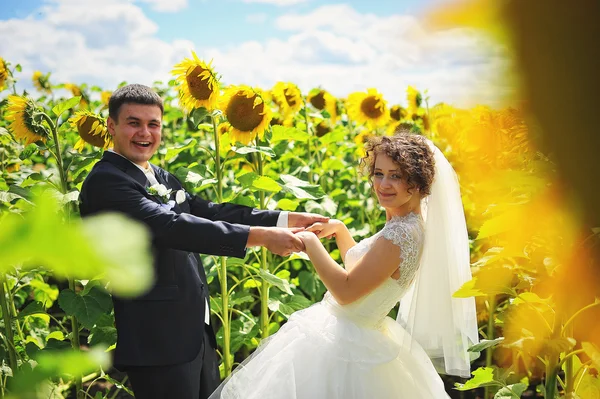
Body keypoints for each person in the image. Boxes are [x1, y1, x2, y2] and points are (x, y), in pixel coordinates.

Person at [78, 83, 328, 399]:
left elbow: (207, 211)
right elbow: (168, 225)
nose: (145, 132)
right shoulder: (106, 181)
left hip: (193, 333)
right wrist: (261, 238)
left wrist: (284, 219)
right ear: (112, 126)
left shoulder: (158, 175)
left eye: (153, 124)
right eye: (134, 122)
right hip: (157, 342)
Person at [209, 133, 480, 399]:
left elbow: (347, 291)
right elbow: (366, 271)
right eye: (378, 173)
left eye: (396, 175)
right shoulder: (406, 225)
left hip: (348, 344)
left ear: (419, 183)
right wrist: (339, 230)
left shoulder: (401, 235)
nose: (383, 184)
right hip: (359, 330)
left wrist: (310, 243)